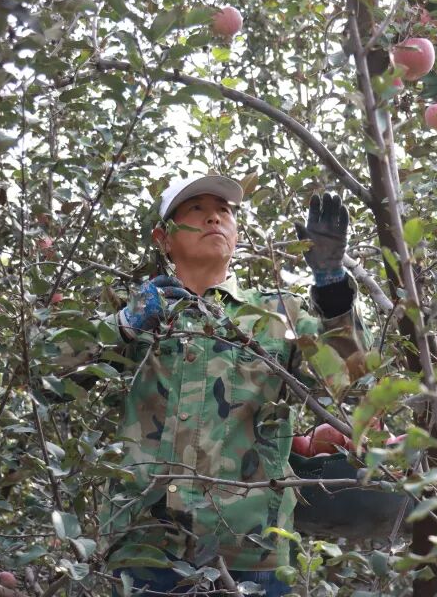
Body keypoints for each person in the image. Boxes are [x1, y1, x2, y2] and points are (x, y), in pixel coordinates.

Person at [97, 174, 371, 596]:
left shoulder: (279, 314)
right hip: (144, 544)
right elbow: (48, 378)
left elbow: (352, 379)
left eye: (224, 211)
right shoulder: (139, 310)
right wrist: (123, 327)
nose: (213, 217)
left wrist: (333, 289)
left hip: (251, 550)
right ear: (163, 238)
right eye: (195, 209)